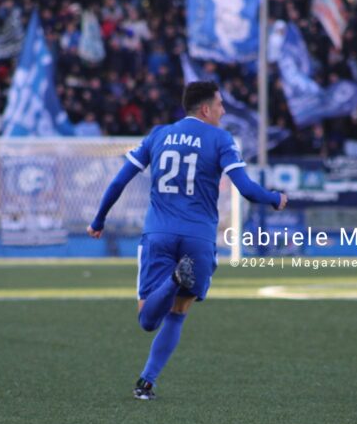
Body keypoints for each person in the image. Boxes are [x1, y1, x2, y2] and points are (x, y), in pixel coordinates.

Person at [87, 81, 288, 400]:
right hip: (199, 238)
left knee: (147, 319)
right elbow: (247, 189)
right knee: (178, 313)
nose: (223, 111)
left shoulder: (158, 134)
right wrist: (275, 198)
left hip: (159, 233)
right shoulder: (221, 139)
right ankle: (146, 381)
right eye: (221, 105)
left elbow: (119, 181)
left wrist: (99, 220)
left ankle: (171, 281)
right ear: (206, 109)